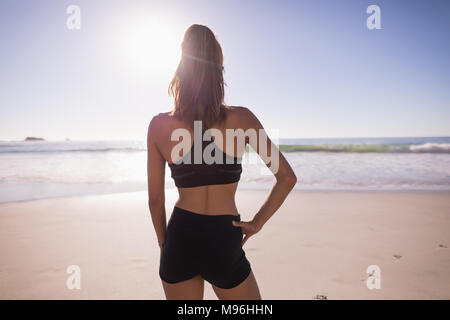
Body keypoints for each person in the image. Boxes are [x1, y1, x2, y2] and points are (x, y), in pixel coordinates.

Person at [147, 24, 297, 300]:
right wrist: (257, 223)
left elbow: (155, 200)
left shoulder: (159, 125)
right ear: (218, 67)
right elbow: (287, 178)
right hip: (223, 236)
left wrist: (165, 244)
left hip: (180, 235)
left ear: (182, 63)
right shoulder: (243, 119)